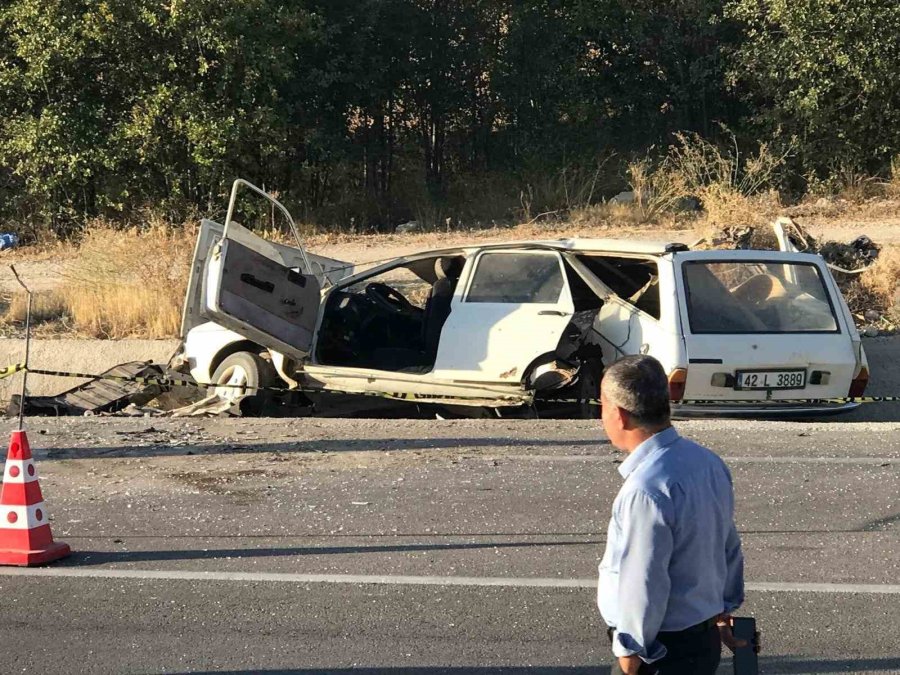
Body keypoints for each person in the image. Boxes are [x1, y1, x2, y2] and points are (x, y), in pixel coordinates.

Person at [596, 355, 747, 675]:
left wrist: (630, 655)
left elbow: (645, 579)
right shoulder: (707, 462)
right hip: (704, 638)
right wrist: (723, 611)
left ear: (619, 415)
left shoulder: (645, 489)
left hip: (660, 652)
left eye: (602, 406)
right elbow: (727, 544)